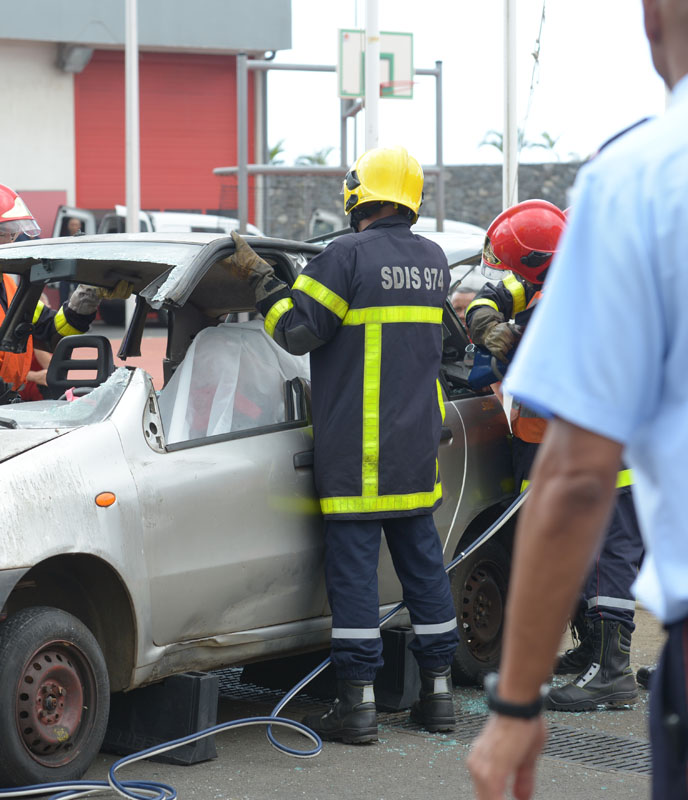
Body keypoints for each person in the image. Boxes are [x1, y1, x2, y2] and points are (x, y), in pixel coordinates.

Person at [466, 1, 688, 796]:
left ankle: (605, 668)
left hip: (617, 478)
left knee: (609, 568)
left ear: (654, 17)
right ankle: (596, 658)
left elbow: (578, 469)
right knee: (608, 566)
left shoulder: (643, 181)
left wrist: (516, 700)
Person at [221, 145, 458, 742]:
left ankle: (357, 708)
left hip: (359, 453)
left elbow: (296, 332)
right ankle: (440, 695)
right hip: (415, 450)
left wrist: (261, 281)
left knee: (353, 577)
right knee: (424, 570)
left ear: (359, 194)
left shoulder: (344, 255)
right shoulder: (433, 260)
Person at [465, 200, 644, 712]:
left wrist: (513, 353)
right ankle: (595, 654)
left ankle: (612, 675)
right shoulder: (560, 271)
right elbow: (497, 291)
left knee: (612, 554)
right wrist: (486, 323)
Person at [0, 181, 130, 405]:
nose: (12, 241)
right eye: (6, 232)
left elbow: (53, 333)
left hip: (5, 409)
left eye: (14, 233)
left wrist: (89, 294)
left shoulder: (7, 287)